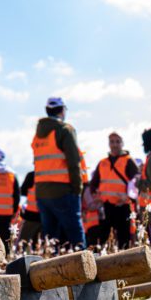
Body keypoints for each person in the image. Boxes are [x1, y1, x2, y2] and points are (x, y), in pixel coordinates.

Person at [31, 97, 86, 250]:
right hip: (64, 191)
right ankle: (86, 271)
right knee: (76, 237)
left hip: (42, 193)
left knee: (50, 240)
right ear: (62, 110)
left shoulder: (37, 135)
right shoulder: (65, 130)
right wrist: (78, 189)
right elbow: (74, 162)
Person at [90, 132, 138, 249]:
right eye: (112, 141)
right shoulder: (103, 162)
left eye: (117, 141)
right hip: (106, 207)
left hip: (123, 206)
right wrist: (95, 196)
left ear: (122, 143)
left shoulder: (129, 161)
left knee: (124, 240)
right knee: (102, 240)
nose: (114, 144)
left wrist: (128, 198)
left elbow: (137, 183)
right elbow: (94, 183)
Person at [19, 171, 42, 246]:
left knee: (22, 244)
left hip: (32, 217)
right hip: (50, 218)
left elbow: (23, 191)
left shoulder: (32, 175)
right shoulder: (57, 176)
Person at [82, 180, 105, 248]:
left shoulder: (98, 189)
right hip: (92, 224)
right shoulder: (88, 190)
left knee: (100, 245)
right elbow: (90, 207)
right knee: (93, 246)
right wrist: (102, 202)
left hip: (99, 222)